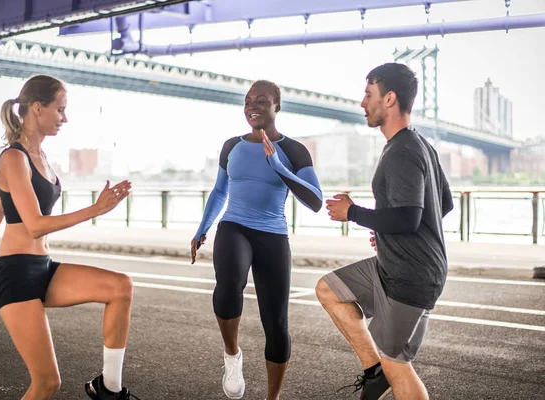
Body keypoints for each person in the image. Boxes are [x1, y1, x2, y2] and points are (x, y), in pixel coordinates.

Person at [0, 75, 140, 400]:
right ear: (37, 108)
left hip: (43, 268)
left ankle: (109, 389)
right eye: (60, 110)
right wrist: (95, 210)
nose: (65, 118)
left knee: (121, 287)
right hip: (15, 277)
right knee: (47, 383)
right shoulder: (13, 158)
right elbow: (33, 225)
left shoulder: (42, 159)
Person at [315, 63, 454, 400]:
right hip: (394, 266)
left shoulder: (403, 151)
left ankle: (385, 370)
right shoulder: (416, 144)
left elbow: (408, 218)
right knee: (329, 290)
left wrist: (354, 213)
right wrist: (386, 230)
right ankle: (375, 371)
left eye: (368, 94)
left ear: (389, 98)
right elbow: (444, 203)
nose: (363, 103)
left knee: (399, 366)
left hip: (411, 275)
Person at [190, 80, 323, 400]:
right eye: (248, 101)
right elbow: (221, 190)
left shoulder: (294, 150)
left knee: (276, 322)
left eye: (262, 101)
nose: (253, 106)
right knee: (228, 284)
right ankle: (232, 356)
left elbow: (316, 201)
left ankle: (272, 397)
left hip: (273, 235)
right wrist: (202, 228)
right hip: (234, 226)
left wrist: (278, 166)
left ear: (277, 106)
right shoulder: (231, 146)